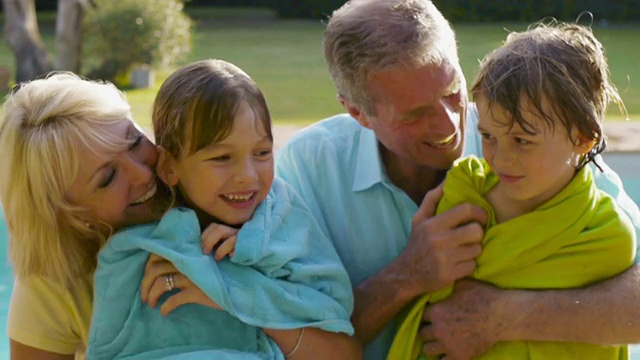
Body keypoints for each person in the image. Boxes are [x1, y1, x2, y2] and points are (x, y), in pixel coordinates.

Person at [274, 0, 640, 359]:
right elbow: (284, 342)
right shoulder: (309, 166)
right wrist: (406, 277)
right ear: (358, 112)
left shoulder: (522, 131)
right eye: (416, 114)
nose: (450, 125)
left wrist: (499, 317)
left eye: (453, 93)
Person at [388, 21, 636, 359]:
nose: (500, 159)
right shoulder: (464, 191)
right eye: (488, 136)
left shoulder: (606, 237)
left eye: (522, 140)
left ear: (582, 138)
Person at [86, 59, 361, 359]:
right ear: (168, 166)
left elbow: (334, 311)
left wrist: (227, 290)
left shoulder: (282, 218)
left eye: (262, 153)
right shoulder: (137, 247)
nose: (248, 175)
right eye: (221, 158)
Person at [1, 72, 171, 359]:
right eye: (108, 178)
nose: (142, 174)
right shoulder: (54, 278)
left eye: (134, 142)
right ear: (71, 215)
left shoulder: (221, 194)